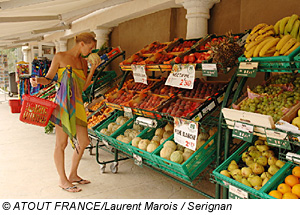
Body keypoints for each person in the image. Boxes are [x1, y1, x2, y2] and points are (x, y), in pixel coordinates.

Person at [30, 32, 101, 192]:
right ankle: (63, 180)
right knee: (60, 144)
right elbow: (48, 78)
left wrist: (92, 70)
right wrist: (37, 80)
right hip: (63, 106)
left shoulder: (83, 62)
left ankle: (73, 175)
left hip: (78, 106)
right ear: (82, 44)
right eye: (90, 47)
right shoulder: (60, 57)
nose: (91, 52)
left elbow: (83, 87)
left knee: (84, 142)